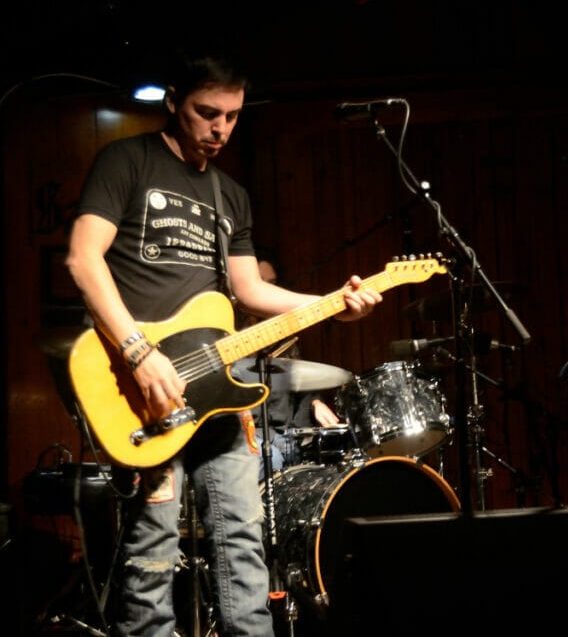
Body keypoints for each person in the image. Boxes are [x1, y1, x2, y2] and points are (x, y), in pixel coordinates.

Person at [64, 49, 382, 636]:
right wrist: (139, 351)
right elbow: (83, 260)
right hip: (143, 385)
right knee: (153, 550)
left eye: (232, 116)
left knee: (242, 541)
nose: (220, 129)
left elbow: (249, 290)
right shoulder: (126, 161)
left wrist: (334, 304)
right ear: (172, 104)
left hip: (217, 390)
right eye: (206, 113)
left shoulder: (229, 194)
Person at [235, 251, 350, 480]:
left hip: (283, 434)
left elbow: (301, 383)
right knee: (272, 458)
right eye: (260, 284)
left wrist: (315, 402)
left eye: (272, 284)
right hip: (243, 434)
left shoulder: (286, 342)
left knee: (331, 448)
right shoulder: (231, 338)